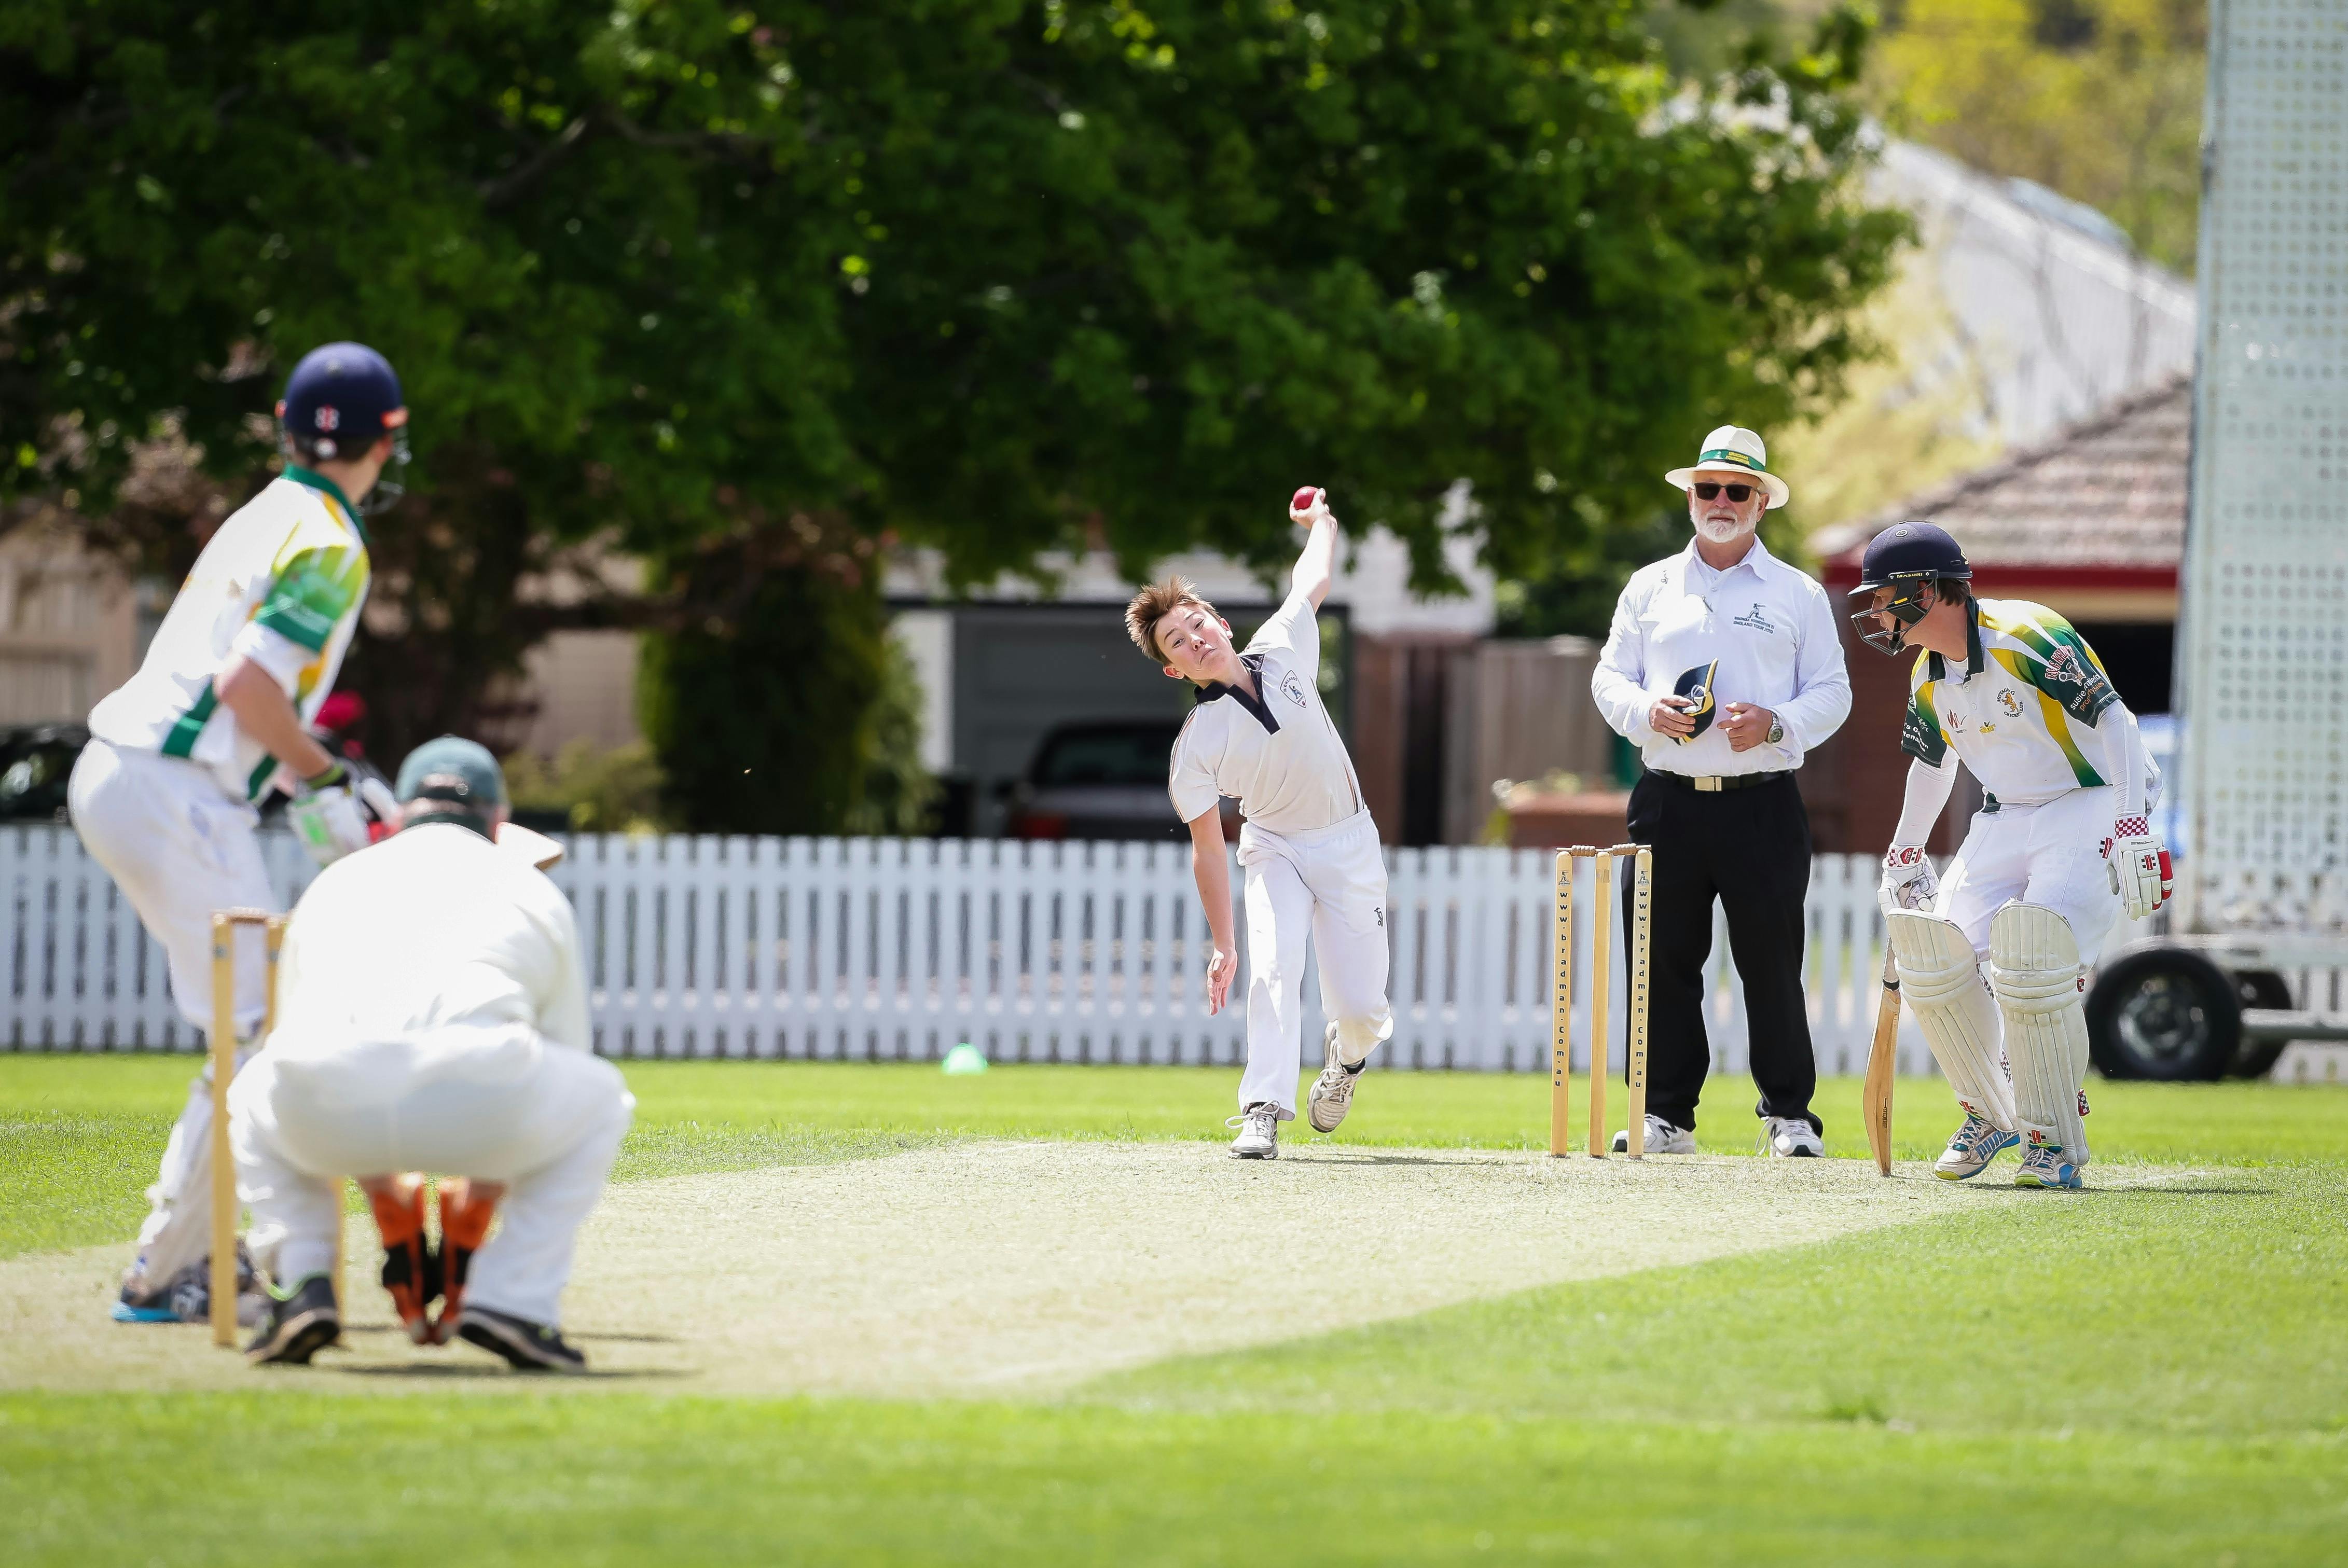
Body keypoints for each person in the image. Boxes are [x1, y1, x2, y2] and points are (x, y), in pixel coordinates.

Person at [70, 342, 407, 1324]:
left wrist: (312, 788)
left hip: (136, 774)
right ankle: (179, 1268)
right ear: (387, 438)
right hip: (173, 789)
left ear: (288, 425)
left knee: (249, 1032)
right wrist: (326, 773)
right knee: (262, 1033)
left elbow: (243, 701)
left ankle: (184, 1260)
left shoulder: (267, 510)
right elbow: (250, 691)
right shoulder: (331, 540)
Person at [231, 737, 633, 1369]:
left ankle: (303, 1285)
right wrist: (467, 1231)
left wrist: (391, 1203)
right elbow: (556, 1054)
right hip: (484, 1103)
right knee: (604, 1097)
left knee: (251, 1088)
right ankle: (515, 1301)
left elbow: (303, 1046)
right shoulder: (533, 891)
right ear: (499, 821)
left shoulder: (336, 881)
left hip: (326, 1114)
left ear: (396, 818)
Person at [1852, 522, 2165, 1190]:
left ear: (1928, 590)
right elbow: (1932, 768)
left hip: (2092, 794)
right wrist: (1904, 846)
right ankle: (1989, 1111)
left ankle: (2051, 1141)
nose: (1875, 611)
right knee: (1932, 951)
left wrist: (2133, 818)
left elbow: (2115, 719)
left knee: (2030, 954)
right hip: (2009, 811)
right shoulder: (1927, 675)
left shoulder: (2026, 636)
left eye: (1883, 596)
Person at [1591, 426, 1852, 1157]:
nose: (1721, 501)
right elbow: (1608, 678)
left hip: (1762, 801)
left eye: (1738, 490)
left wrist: (1776, 724)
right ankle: (1665, 1115)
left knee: (1770, 963)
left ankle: (1790, 1116)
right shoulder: (1647, 586)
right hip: (1666, 798)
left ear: (1762, 502)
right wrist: (1647, 712)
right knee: (1660, 962)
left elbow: (1833, 693)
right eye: (1707, 488)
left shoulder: (1797, 592)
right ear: (1689, 496)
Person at [1125, 488, 1392, 1159]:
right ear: (1173, 666)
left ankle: (1346, 1060)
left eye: (1197, 624)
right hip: (1274, 848)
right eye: (1177, 641)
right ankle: (1261, 1110)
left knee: (1361, 1011)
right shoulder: (1197, 741)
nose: (1195, 639)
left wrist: (1323, 522)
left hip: (1349, 842)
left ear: (1219, 622)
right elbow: (1206, 848)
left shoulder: (1282, 646)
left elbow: (1314, 576)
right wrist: (1224, 942)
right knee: (1273, 968)